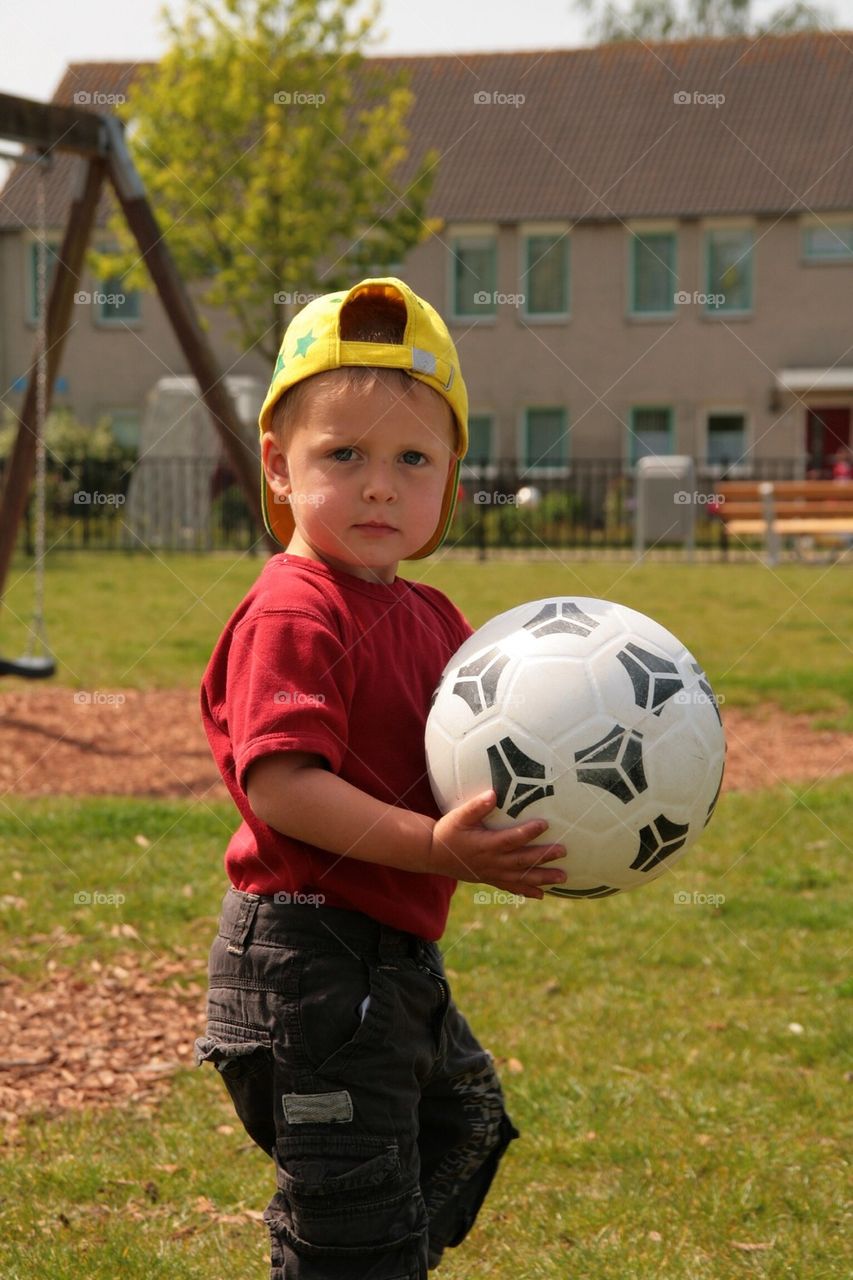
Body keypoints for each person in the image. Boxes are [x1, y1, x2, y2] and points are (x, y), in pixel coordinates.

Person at [194, 277, 568, 1279]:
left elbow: (470, 747)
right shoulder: (293, 610)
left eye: (411, 458)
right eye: (343, 454)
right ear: (279, 467)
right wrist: (435, 848)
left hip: (392, 961)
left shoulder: (433, 614)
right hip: (309, 967)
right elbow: (281, 784)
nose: (377, 485)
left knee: (465, 1124)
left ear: (450, 478)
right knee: (353, 1226)